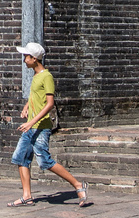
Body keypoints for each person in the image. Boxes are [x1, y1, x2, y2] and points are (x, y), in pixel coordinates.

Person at [9, 42, 90, 208]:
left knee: (44, 161)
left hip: (40, 127)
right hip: (31, 126)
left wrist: (31, 121)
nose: (24, 60)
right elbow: (34, 97)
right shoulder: (36, 76)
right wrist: (26, 108)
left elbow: (49, 104)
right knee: (21, 158)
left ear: (35, 59)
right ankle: (27, 196)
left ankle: (78, 185)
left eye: (27, 57)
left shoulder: (47, 77)